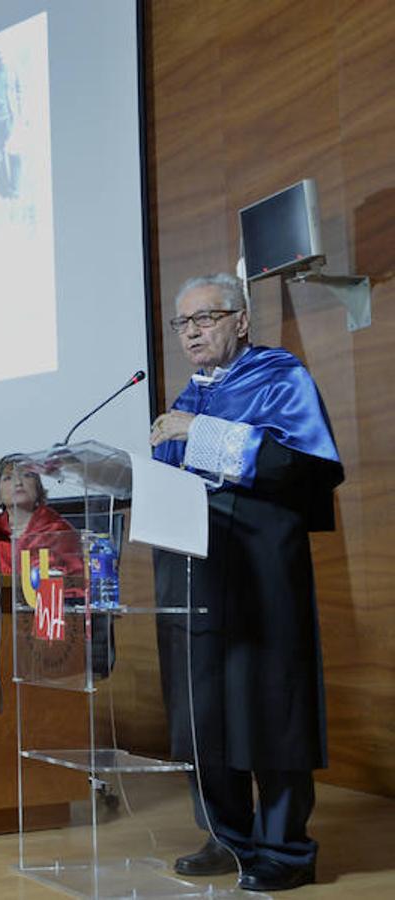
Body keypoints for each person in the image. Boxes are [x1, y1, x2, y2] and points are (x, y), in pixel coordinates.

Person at [151, 273, 343, 893]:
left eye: (204, 318)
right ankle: (227, 837)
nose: (191, 333)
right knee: (203, 707)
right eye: (183, 323)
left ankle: (285, 850)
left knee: (269, 703)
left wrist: (193, 433)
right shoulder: (192, 393)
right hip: (196, 570)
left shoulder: (278, 376)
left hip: (261, 572)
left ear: (240, 320)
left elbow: (302, 464)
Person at [0, 456, 83, 577]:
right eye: (8, 478)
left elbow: (77, 581)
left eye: (27, 475)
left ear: (38, 489)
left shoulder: (60, 531)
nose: (18, 483)